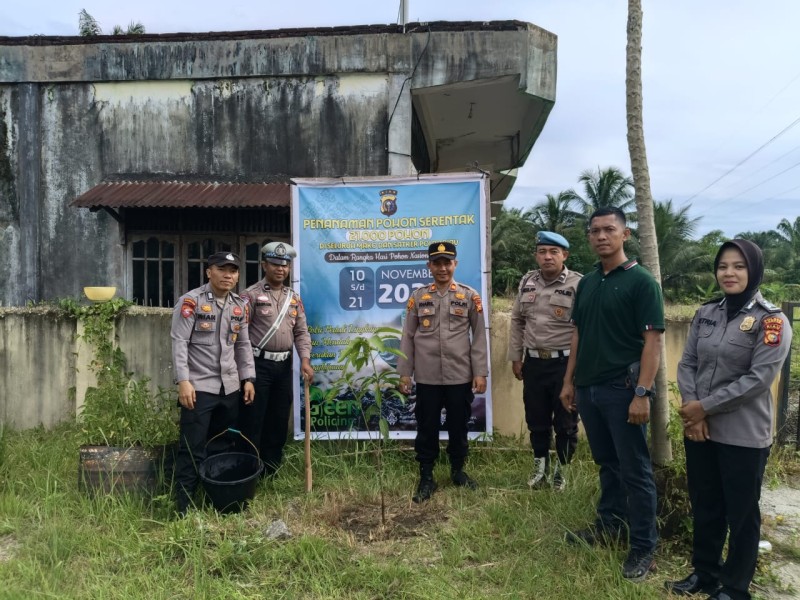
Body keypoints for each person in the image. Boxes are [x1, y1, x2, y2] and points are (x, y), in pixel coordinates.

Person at [665, 239, 792, 600]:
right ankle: (704, 574)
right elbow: (688, 362)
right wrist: (693, 410)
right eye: (723, 266)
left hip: (742, 435)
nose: (729, 273)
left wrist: (703, 407)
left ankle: (735, 588)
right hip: (700, 428)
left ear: (753, 270)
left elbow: (757, 380)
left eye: (739, 266)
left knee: (741, 514)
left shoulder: (772, 321)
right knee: (706, 506)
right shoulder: (707, 312)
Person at [559, 207, 664, 581]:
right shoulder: (587, 283)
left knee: (635, 471)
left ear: (626, 234)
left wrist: (642, 393)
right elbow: (577, 334)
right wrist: (569, 382)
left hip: (623, 390)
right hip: (588, 390)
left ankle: (643, 546)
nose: (601, 236)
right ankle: (609, 526)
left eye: (609, 229)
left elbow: (652, 342)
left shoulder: (641, 282)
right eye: (595, 231)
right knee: (607, 463)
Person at [398, 241, 489, 503]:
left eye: (447, 262)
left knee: (458, 425)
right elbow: (408, 336)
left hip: (460, 376)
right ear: (429, 266)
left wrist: (480, 372)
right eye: (436, 263)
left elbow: (479, 337)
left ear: (455, 264)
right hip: (427, 378)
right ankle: (426, 476)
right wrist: (405, 372)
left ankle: (458, 471)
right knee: (426, 427)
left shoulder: (470, 296)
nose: (442, 268)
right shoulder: (418, 297)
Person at [170, 251, 256, 515]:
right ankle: (183, 506)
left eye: (233, 270)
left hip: (229, 389)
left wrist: (248, 378)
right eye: (222, 269)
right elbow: (179, 342)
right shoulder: (191, 302)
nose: (228, 275)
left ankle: (216, 498)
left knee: (222, 446)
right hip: (199, 389)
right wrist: (183, 381)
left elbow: (242, 344)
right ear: (209, 272)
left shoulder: (239, 305)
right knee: (192, 448)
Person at [508, 231, 582, 490]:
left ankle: (562, 470)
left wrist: (574, 373)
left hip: (565, 366)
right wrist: (516, 357)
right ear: (536, 255)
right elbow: (517, 320)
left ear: (565, 255)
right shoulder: (527, 281)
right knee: (536, 419)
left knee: (566, 422)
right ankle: (540, 467)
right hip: (534, 364)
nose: (547, 256)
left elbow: (581, 329)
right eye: (542, 251)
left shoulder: (578, 284)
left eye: (553, 252)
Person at [237, 241, 314, 476]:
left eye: (285, 265)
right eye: (275, 264)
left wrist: (305, 360)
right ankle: (249, 471)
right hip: (258, 366)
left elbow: (301, 332)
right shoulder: (249, 296)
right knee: (253, 420)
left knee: (279, 419)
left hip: (284, 366)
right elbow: (240, 336)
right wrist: (246, 373)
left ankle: (271, 470)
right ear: (264, 265)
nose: (281, 269)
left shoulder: (293, 298)